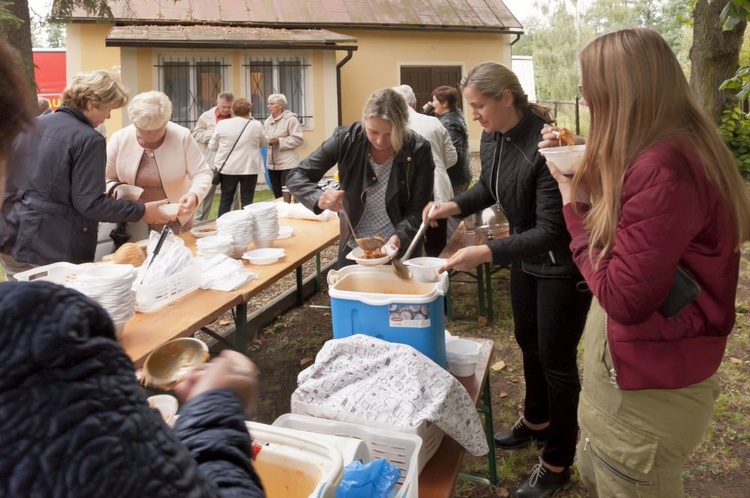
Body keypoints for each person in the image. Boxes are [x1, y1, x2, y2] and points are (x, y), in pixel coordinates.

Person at [0, 39, 265, 498]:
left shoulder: (176, 138)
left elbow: (201, 174)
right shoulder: (44, 330)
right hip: (107, 232)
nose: (139, 135)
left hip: (157, 225)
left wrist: (190, 199)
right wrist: (215, 405)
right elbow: (91, 194)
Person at [542, 28, 750, 497]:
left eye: (588, 87)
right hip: (643, 375)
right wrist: (583, 165)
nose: (584, 96)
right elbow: (639, 220)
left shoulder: (664, 167)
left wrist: (572, 205)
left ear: (620, 91)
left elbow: (623, 297)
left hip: (644, 395)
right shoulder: (676, 148)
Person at [427, 62, 592, 497]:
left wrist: (486, 251)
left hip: (560, 267)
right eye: (471, 107)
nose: (475, 115)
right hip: (525, 259)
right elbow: (489, 186)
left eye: (480, 106)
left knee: (557, 363)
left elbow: (553, 229)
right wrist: (452, 206)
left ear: (505, 98)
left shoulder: (546, 145)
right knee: (527, 341)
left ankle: (557, 461)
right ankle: (536, 419)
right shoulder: (494, 135)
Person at [0, 69, 172, 279]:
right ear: (91, 103)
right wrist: (142, 211)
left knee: (20, 307)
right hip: (50, 249)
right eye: (109, 108)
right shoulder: (88, 139)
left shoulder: (30, 126)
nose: (109, 115)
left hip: (11, 237)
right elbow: (90, 204)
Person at [286, 87, 435, 268]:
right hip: (353, 246)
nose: (381, 141)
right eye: (373, 132)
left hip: (400, 247)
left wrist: (398, 238)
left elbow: (419, 208)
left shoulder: (418, 149)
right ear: (364, 121)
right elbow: (297, 175)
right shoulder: (346, 139)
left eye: (390, 134)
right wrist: (319, 198)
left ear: (403, 125)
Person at [106, 90, 212, 237]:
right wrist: (119, 191)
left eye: (159, 129)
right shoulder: (119, 139)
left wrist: (194, 194)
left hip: (175, 218)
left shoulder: (182, 136)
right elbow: (106, 179)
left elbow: (202, 173)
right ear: (134, 123)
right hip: (135, 220)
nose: (153, 136)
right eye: (146, 130)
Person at [392, 84, 456, 257]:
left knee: (408, 241)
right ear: (414, 104)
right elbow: (452, 157)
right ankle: (440, 277)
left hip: (406, 194)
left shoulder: (392, 126)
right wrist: (436, 167)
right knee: (438, 243)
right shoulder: (433, 122)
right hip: (437, 188)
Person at [209, 98, 268, 216]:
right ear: (249, 110)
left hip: (228, 168)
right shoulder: (256, 125)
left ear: (233, 110)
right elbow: (264, 143)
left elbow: (212, 146)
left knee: (226, 199)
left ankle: (223, 226)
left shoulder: (222, 124)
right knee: (247, 201)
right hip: (249, 167)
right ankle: (246, 227)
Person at [430, 85, 472, 240]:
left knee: (454, 219)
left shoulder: (450, 123)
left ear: (445, 103)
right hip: (461, 175)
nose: (432, 103)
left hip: (456, 178)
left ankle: (457, 250)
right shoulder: (454, 115)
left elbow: (455, 154)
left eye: (434, 100)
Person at [192, 92, 235, 220]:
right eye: (224, 107)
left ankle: (232, 222)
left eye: (229, 107)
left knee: (232, 196)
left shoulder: (236, 116)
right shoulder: (206, 117)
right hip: (211, 161)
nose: (227, 110)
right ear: (217, 103)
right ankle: (199, 223)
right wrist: (215, 133)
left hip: (231, 163)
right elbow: (196, 134)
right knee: (205, 195)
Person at [263, 93, 304, 198]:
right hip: (272, 164)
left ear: (280, 105)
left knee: (288, 195)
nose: (269, 106)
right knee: (277, 195)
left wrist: (279, 141)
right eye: (268, 104)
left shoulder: (291, 119)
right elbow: (264, 137)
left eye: (272, 104)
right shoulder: (267, 121)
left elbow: (298, 139)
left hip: (288, 164)